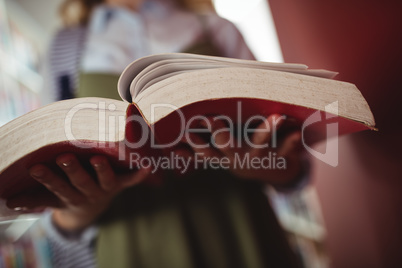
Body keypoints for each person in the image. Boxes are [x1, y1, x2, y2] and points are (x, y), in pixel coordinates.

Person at [7, 0, 305, 267]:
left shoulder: (219, 29)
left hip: (242, 233)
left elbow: (292, 162)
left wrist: (260, 164)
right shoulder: (63, 47)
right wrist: (82, 208)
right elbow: (58, 214)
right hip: (129, 248)